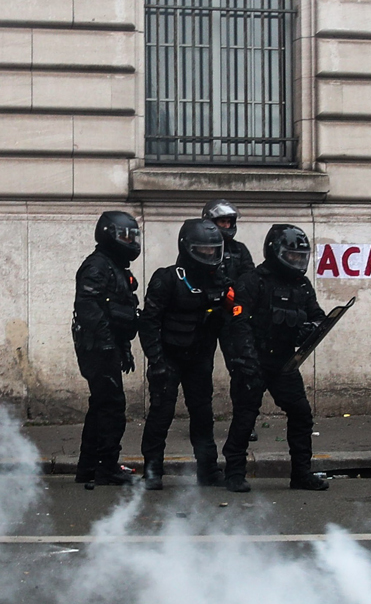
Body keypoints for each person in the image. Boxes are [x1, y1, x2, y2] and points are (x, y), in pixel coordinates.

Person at [223, 224, 327, 493]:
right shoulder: (253, 281)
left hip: (284, 361)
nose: (296, 262)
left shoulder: (302, 285)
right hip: (254, 360)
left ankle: (301, 473)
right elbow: (239, 323)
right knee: (245, 418)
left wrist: (310, 328)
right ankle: (234, 472)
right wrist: (246, 362)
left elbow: (317, 316)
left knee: (301, 414)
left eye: (299, 257)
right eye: (291, 256)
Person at [138, 218, 229, 490]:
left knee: (203, 414)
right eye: (203, 250)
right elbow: (149, 322)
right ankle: (152, 471)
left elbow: (230, 320)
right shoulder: (167, 279)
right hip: (168, 356)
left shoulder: (219, 280)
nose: (209, 255)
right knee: (161, 413)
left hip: (199, 358)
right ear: (188, 248)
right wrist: (155, 360)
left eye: (213, 250)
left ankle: (208, 470)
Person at [73, 211, 142, 488]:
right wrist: (106, 343)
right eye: (124, 235)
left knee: (100, 406)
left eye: (132, 236)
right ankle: (106, 468)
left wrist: (123, 347)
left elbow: (119, 312)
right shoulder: (97, 266)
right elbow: (88, 307)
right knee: (112, 407)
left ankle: (88, 467)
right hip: (96, 348)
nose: (130, 241)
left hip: (107, 345)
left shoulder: (114, 266)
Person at [203, 198, 258, 443]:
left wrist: (235, 296)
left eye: (228, 221)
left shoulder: (239, 250)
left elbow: (250, 278)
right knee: (201, 371)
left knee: (241, 369)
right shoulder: (200, 244)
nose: (225, 225)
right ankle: (202, 421)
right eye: (221, 221)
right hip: (203, 316)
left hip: (231, 318)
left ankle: (244, 422)